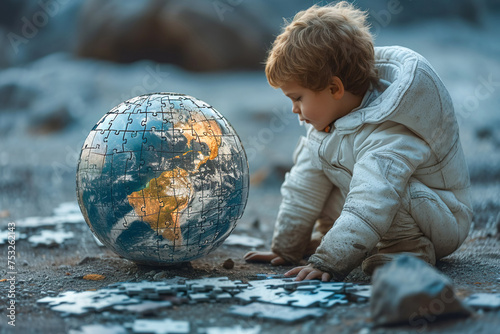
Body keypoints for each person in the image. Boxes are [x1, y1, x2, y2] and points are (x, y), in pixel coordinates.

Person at [244, 1, 472, 282]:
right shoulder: (328, 121)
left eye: (298, 98)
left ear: (334, 88)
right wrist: (287, 247)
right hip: (388, 210)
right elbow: (303, 185)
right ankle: (336, 238)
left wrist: (328, 262)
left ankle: (406, 251)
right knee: (319, 170)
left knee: (386, 186)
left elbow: (372, 200)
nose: (294, 110)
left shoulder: (390, 131)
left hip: (439, 219)